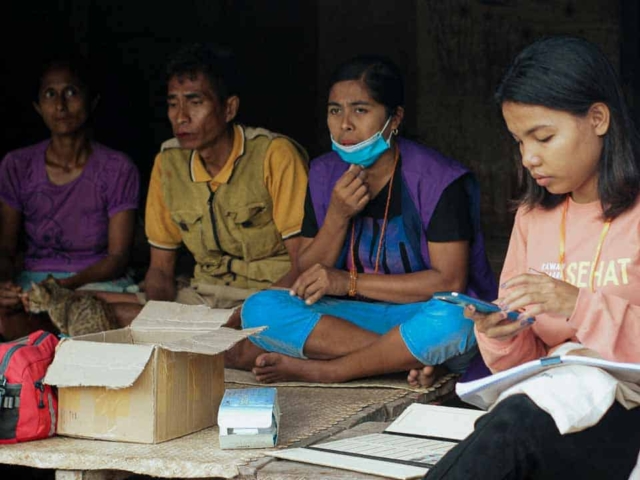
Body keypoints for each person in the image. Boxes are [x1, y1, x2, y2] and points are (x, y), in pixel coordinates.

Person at [425, 36, 640, 480]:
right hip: (550, 408)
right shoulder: (533, 217)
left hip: (626, 413)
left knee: (515, 429)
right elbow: (525, 361)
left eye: (543, 137)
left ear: (598, 119)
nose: (529, 158)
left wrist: (579, 306)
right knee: (513, 427)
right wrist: (501, 334)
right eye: (519, 141)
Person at [230, 55, 497, 387]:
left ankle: (330, 369)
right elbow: (305, 271)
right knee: (261, 309)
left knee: (460, 320)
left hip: (419, 315)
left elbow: (449, 282)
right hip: (353, 318)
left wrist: (348, 282)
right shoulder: (324, 173)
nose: (344, 124)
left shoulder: (437, 179)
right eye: (334, 110)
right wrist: (337, 217)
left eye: (360, 110)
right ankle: (406, 361)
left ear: (395, 118)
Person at [106, 43, 309, 324]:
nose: (181, 117)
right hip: (202, 297)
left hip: (267, 295)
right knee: (101, 312)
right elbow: (161, 270)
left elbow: (304, 263)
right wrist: (158, 320)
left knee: (258, 340)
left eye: (195, 102)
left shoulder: (274, 154)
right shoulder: (169, 162)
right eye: (173, 104)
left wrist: (247, 314)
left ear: (229, 108)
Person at [0, 56, 140, 340]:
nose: (61, 105)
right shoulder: (17, 165)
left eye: (72, 92)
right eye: (50, 94)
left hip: (97, 285)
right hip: (34, 287)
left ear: (93, 100)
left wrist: (65, 286)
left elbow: (118, 257)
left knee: (132, 318)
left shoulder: (117, 168)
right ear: (38, 106)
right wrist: (5, 284)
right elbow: (6, 248)